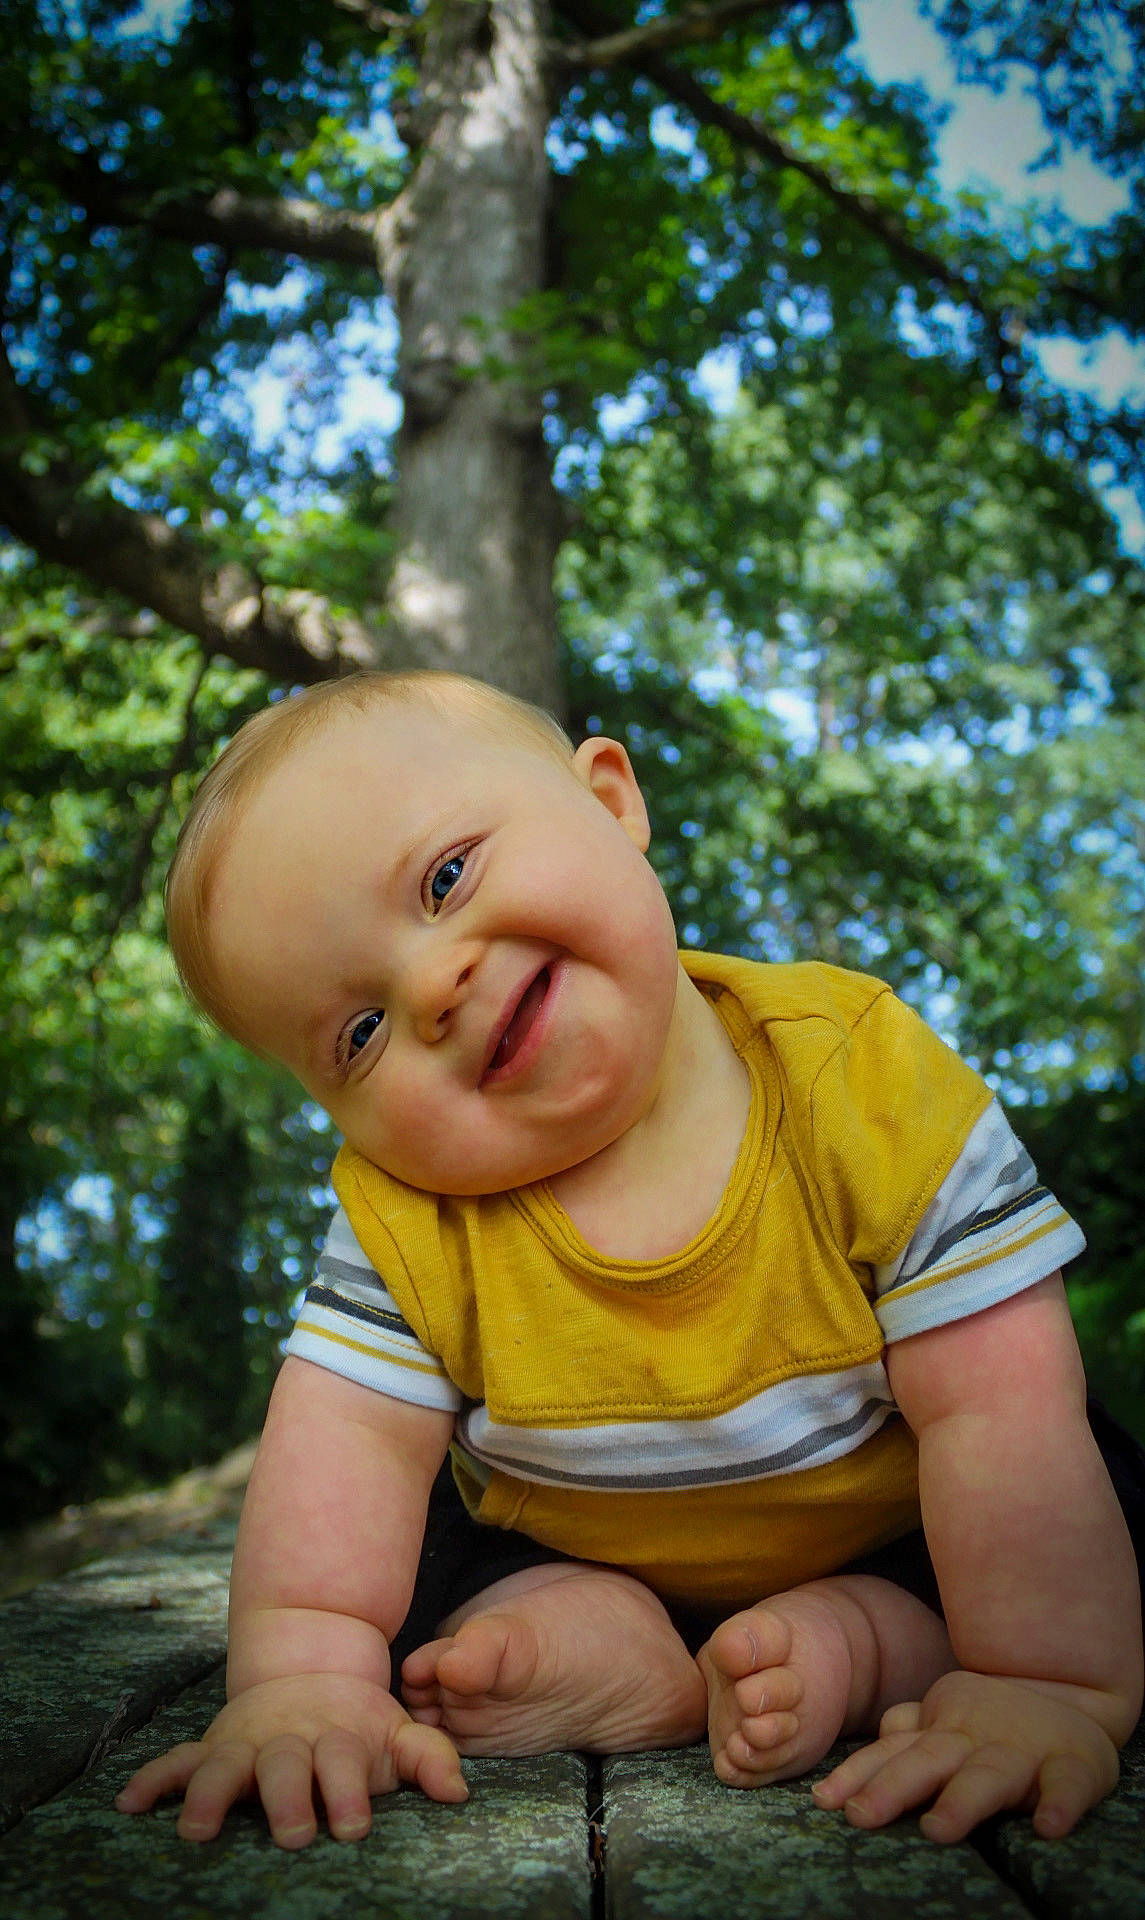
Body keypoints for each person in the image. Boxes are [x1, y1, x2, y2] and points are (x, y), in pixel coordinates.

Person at [116, 670, 1143, 1853]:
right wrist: (300, 1684)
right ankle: (607, 1640)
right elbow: (342, 1449)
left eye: (445, 879)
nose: (431, 987)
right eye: (360, 1031)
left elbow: (997, 1408)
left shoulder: (853, 1081)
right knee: (408, 1577)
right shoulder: (409, 1211)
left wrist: (1039, 1678)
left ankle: (873, 1644)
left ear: (609, 803)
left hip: (897, 1525)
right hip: (568, 1538)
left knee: (1078, 1507)